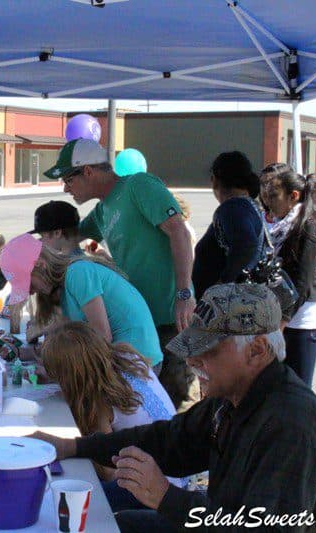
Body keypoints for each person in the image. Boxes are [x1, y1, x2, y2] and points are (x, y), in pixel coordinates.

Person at [30, 283, 316, 532]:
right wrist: (73, 446)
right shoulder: (231, 399)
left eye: (208, 350)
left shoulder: (290, 426)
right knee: (116, 524)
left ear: (256, 350)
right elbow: (168, 440)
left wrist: (167, 498)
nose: (193, 360)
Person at [44, 138, 195, 405]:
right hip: (142, 323)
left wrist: (184, 293)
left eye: (68, 179)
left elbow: (179, 231)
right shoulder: (103, 210)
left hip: (171, 318)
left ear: (88, 171)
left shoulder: (138, 185)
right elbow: (64, 238)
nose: (66, 188)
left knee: (174, 404)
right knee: (147, 408)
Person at [40, 321, 180, 511]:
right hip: (179, 475)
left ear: (72, 375)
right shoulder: (128, 357)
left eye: (58, 374)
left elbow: (107, 472)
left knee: (61, 496)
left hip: (156, 490)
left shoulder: (100, 402)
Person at [0, 233, 163, 369]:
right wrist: (24, 353)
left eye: (28, 283)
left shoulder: (78, 273)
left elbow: (101, 336)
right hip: (123, 359)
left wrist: (49, 333)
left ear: (41, 265)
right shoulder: (63, 286)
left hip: (138, 364)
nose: (30, 292)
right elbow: (73, 338)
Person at [260, 167, 316, 386]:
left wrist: (281, 323)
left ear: (293, 196)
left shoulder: (310, 227)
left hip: (301, 323)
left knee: (298, 389)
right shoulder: (283, 226)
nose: (268, 202)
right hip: (280, 318)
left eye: (274, 196)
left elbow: (301, 285)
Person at [192, 151, 266, 298]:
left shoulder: (233, 207)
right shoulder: (248, 205)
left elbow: (246, 243)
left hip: (229, 308)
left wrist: (223, 284)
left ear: (214, 179)